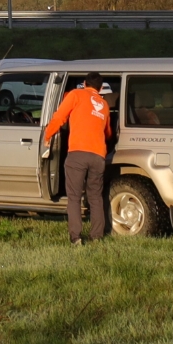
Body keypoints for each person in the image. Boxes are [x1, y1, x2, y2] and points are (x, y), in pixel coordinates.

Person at [44, 72, 114, 245]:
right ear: (100, 88)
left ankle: (76, 237)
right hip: (98, 156)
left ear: (84, 83)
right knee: (96, 197)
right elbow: (108, 133)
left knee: (74, 197)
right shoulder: (104, 105)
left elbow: (59, 117)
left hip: (78, 153)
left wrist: (47, 136)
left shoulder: (76, 95)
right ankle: (97, 236)